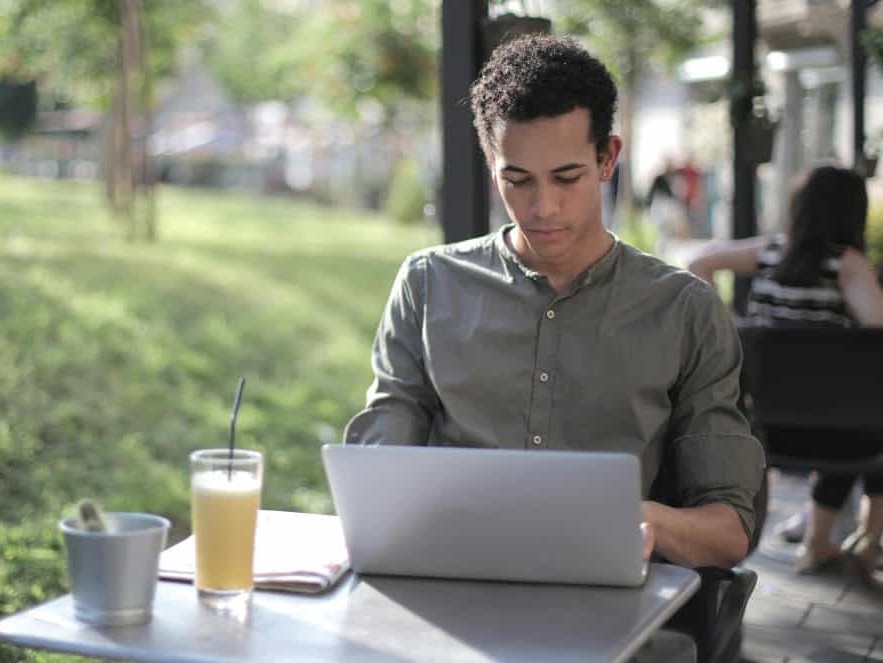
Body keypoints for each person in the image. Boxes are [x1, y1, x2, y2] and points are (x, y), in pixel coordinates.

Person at [344, 35, 765, 572]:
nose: (542, 207)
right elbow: (379, 480)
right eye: (516, 180)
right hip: (452, 586)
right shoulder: (428, 285)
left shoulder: (684, 310)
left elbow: (728, 532)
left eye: (567, 178)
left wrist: (636, 519)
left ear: (607, 158)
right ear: (491, 162)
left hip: (612, 612)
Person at [688, 165, 883, 582]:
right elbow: (877, 330)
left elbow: (699, 262)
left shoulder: (769, 252)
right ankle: (851, 538)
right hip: (838, 435)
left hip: (762, 427)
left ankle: (830, 539)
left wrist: (731, 325)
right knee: (871, 416)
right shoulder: (848, 265)